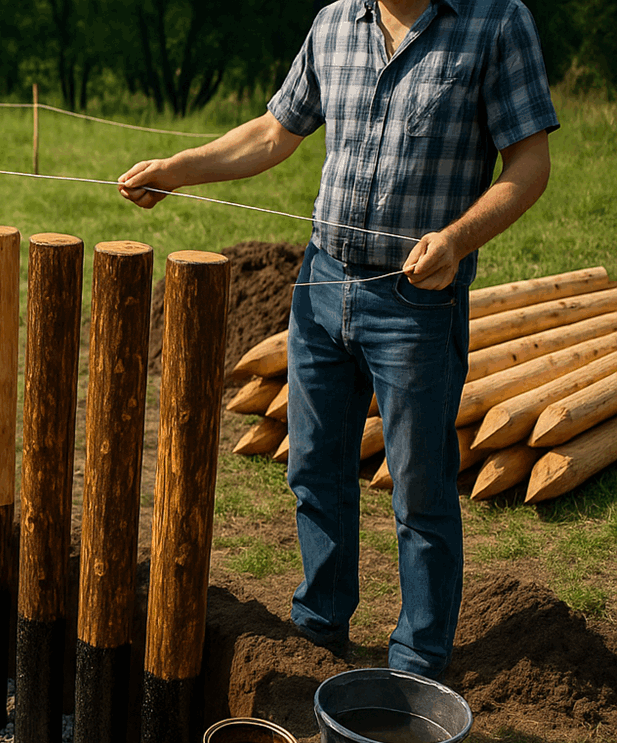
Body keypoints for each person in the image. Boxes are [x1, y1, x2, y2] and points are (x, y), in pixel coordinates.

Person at [120, 0, 557, 680]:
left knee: (420, 490)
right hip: (322, 282)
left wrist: (458, 240)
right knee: (315, 470)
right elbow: (272, 133)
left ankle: (416, 666)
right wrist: (176, 170)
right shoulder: (334, 22)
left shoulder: (495, 23)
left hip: (417, 300)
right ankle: (319, 631)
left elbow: (529, 162)